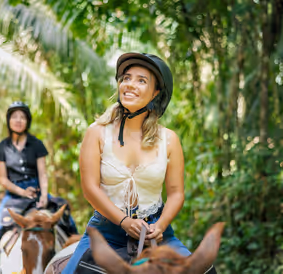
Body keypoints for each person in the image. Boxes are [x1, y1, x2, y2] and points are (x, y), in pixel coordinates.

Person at [62, 52, 216, 274]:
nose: (130, 85)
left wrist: (161, 225)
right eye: (126, 78)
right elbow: (90, 188)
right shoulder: (96, 133)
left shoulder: (169, 139)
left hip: (156, 232)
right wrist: (124, 221)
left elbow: (175, 194)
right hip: (106, 233)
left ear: (155, 93)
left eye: (141, 80)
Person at [0, 101, 78, 273]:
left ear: (27, 121)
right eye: (15, 116)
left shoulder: (37, 144)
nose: (18, 120)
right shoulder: (3, 147)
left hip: (38, 192)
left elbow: (42, 174)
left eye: (22, 117)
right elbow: (3, 179)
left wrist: (43, 196)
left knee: (67, 217)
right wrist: (22, 192)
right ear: (9, 120)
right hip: (15, 195)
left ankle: (77, 256)